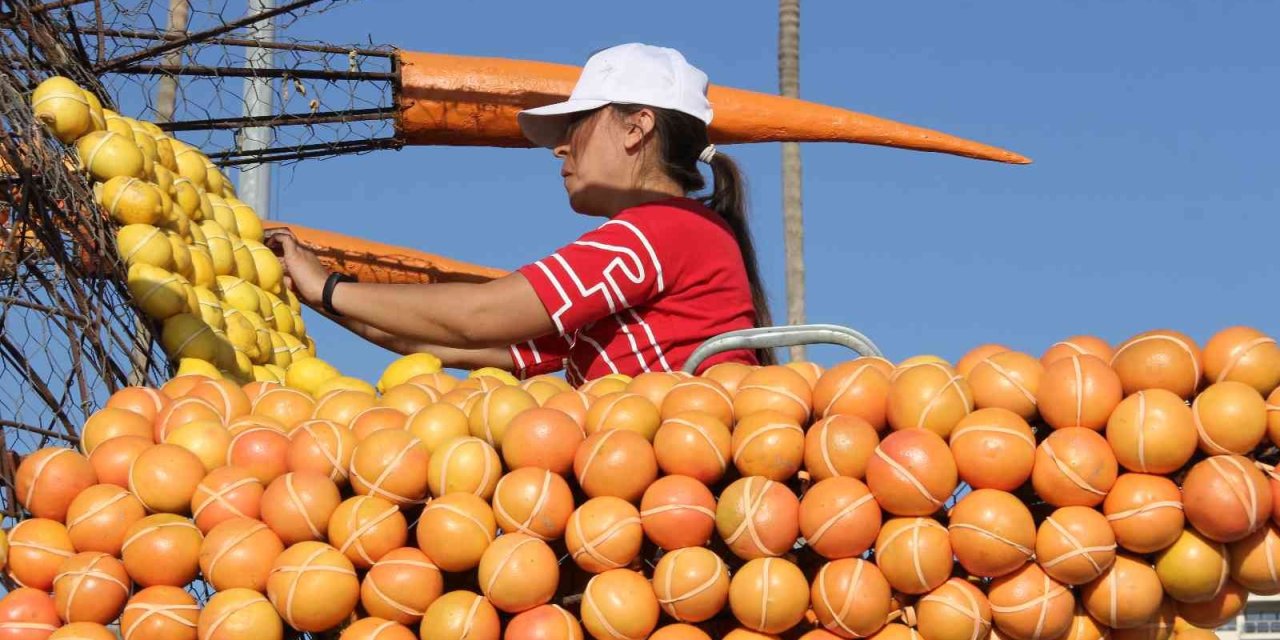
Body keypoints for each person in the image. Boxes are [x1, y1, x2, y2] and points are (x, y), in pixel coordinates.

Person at [268, 42, 775, 385]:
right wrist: (317, 292)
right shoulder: (677, 235)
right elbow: (452, 344)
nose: (560, 150)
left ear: (635, 128)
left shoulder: (661, 231)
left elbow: (478, 318)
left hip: (678, 486)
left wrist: (329, 288)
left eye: (575, 125)